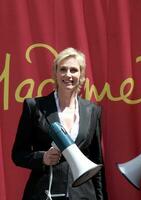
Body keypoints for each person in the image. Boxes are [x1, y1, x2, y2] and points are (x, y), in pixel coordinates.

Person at [12, 47, 108, 200]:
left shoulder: (92, 111)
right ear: (55, 74)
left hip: (83, 195)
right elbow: (18, 154)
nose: (68, 75)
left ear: (81, 75)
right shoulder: (34, 106)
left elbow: (96, 162)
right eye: (63, 69)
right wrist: (42, 158)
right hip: (44, 193)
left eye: (74, 70)